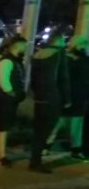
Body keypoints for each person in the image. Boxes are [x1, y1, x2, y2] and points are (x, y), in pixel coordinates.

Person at [28, 32, 70, 173]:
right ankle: (36, 162)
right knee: (46, 130)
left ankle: (34, 159)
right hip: (53, 97)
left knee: (38, 129)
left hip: (39, 97)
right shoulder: (59, 54)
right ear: (58, 41)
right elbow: (63, 78)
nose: (64, 44)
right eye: (63, 41)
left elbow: (33, 79)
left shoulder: (38, 54)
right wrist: (67, 99)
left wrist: (36, 93)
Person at [0, 35, 27, 168]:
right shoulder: (7, 61)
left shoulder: (13, 60)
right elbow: (4, 81)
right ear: (16, 46)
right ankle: (1, 157)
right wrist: (12, 93)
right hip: (5, 99)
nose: (25, 48)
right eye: (23, 46)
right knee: (3, 128)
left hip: (4, 98)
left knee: (0, 127)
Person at [58, 35, 89, 160]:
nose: (84, 47)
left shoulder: (82, 59)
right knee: (60, 122)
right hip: (69, 95)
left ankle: (76, 148)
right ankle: (46, 145)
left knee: (75, 125)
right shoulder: (67, 59)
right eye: (83, 45)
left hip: (79, 96)